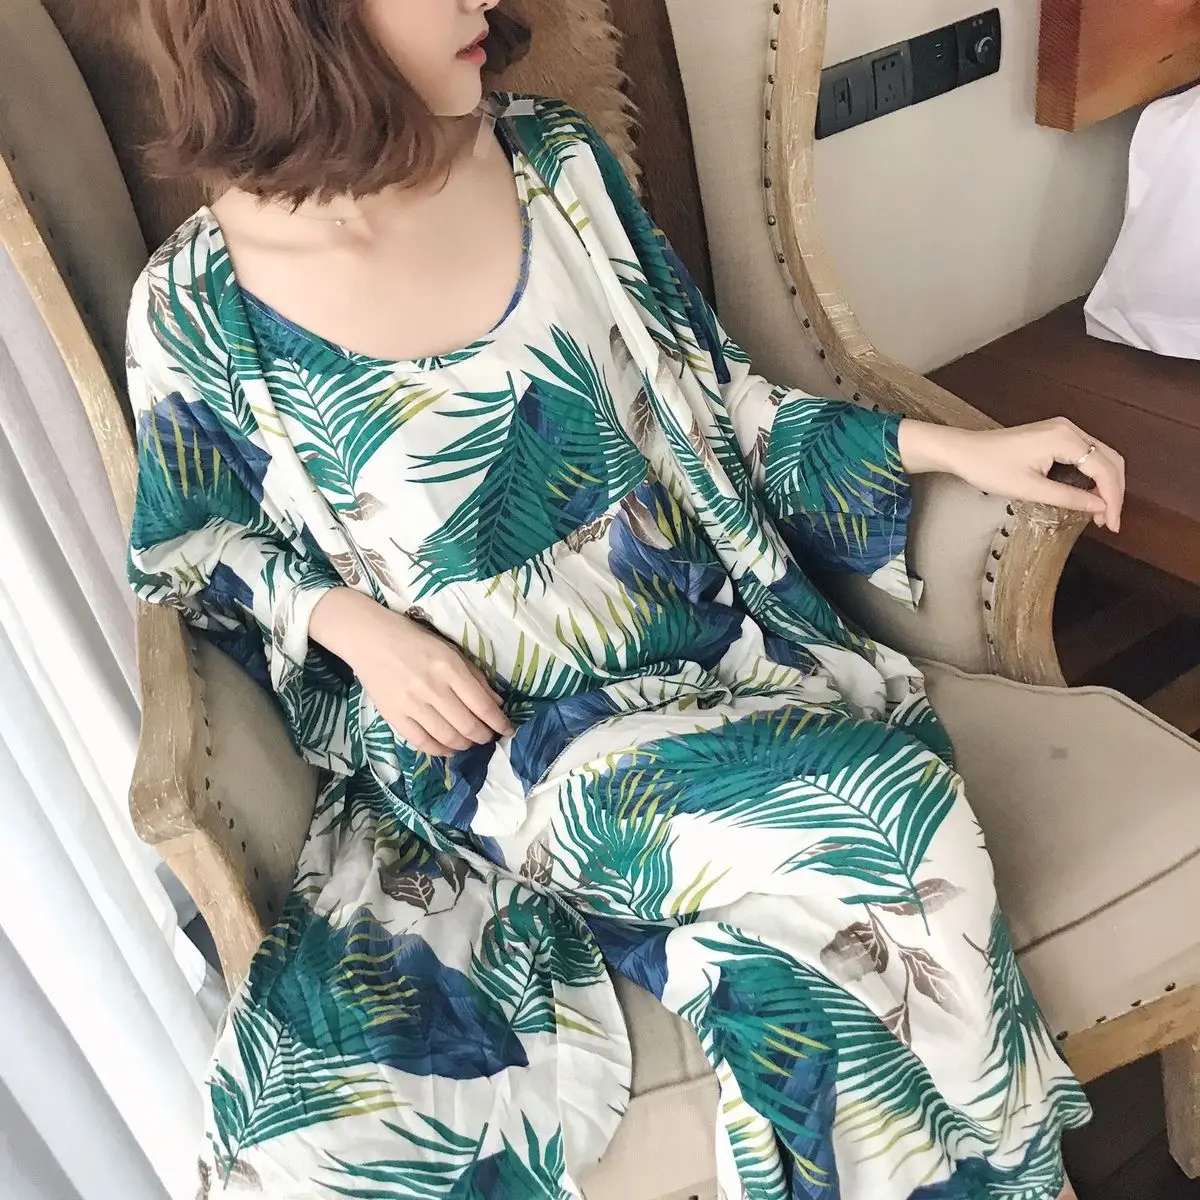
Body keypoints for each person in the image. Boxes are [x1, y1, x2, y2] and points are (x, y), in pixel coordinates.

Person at [127, 1, 1124, 1196]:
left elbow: (716, 405)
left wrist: (954, 447)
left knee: (813, 953)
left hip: (718, 666)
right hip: (505, 754)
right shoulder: (197, 308)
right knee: (887, 817)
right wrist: (353, 628)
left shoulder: (551, 166)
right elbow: (195, 548)